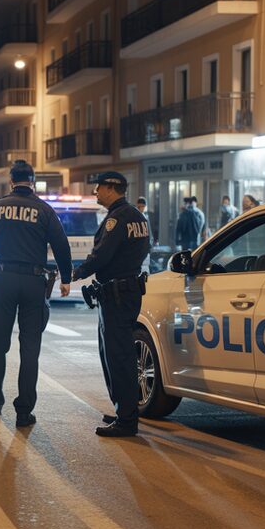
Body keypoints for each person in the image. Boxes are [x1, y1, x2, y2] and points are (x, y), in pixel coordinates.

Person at [0, 160, 72, 427]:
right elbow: (61, 246)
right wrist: (66, 279)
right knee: (30, 350)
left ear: (11, 180)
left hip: (3, 281)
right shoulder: (44, 210)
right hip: (34, 283)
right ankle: (24, 412)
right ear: (33, 181)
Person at [73, 171, 152, 438]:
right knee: (120, 355)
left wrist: (77, 272)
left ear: (111, 188)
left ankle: (127, 420)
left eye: (98, 187)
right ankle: (124, 410)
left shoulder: (117, 219)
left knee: (117, 357)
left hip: (116, 294)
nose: (95, 192)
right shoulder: (138, 216)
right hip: (127, 291)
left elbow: (102, 255)